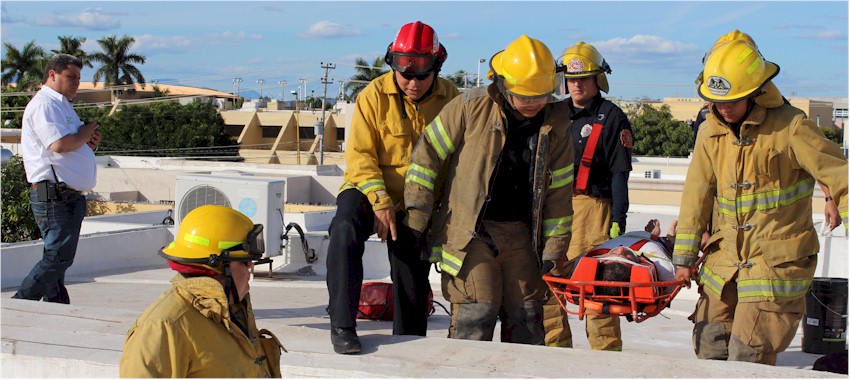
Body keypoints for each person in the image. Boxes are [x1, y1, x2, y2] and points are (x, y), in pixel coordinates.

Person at [673, 31, 848, 366]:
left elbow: (840, 176)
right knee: (709, 345)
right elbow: (696, 195)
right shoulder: (710, 131)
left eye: (731, 101)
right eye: (717, 102)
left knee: (748, 354)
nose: (723, 109)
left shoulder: (791, 127)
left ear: (755, 92)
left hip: (774, 266)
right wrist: (683, 260)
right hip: (724, 264)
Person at [403, 35, 573, 345]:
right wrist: (417, 215)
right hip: (472, 233)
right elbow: (426, 156)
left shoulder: (557, 120)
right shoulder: (470, 107)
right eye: (524, 95)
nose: (533, 102)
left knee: (526, 318)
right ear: (504, 85)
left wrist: (554, 250)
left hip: (523, 237)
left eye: (540, 95)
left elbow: (559, 191)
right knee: (475, 314)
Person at [325, 21, 460, 354]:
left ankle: (409, 340)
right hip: (367, 189)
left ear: (437, 67)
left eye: (421, 76)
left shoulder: (452, 100)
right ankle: (342, 325)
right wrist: (380, 201)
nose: (412, 83)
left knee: (411, 266)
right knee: (343, 230)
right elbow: (360, 156)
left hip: (419, 201)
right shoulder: (372, 95)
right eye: (405, 75)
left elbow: (460, 159)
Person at [120, 205, 284, 377]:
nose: (251, 267)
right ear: (218, 267)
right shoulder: (163, 328)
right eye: (244, 261)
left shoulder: (232, 312)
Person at [543, 41, 634, 350]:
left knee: (597, 289)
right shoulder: (554, 113)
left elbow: (620, 173)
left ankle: (606, 355)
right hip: (554, 209)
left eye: (583, 78)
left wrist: (618, 220)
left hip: (594, 211)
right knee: (549, 285)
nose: (576, 85)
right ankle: (556, 352)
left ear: (598, 80)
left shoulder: (612, 117)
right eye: (571, 79)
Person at [13, 53, 101, 304]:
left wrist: (89, 142)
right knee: (59, 256)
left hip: (66, 195)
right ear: (52, 75)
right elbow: (59, 144)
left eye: (79, 78)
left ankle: (57, 307)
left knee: (56, 257)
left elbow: (72, 144)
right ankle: (20, 302)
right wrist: (84, 134)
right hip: (55, 195)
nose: (76, 83)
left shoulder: (62, 105)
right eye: (71, 77)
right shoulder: (45, 105)